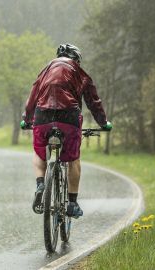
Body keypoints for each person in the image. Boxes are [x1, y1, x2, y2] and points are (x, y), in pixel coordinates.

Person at [21, 43, 112, 218]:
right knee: (74, 159)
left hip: (43, 116)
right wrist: (103, 123)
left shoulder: (45, 70)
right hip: (69, 116)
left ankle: (40, 184)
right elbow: (93, 102)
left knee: (40, 154)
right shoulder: (80, 72)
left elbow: (33, 96)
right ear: (76, 59)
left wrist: (26, 119)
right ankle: (72, 203)